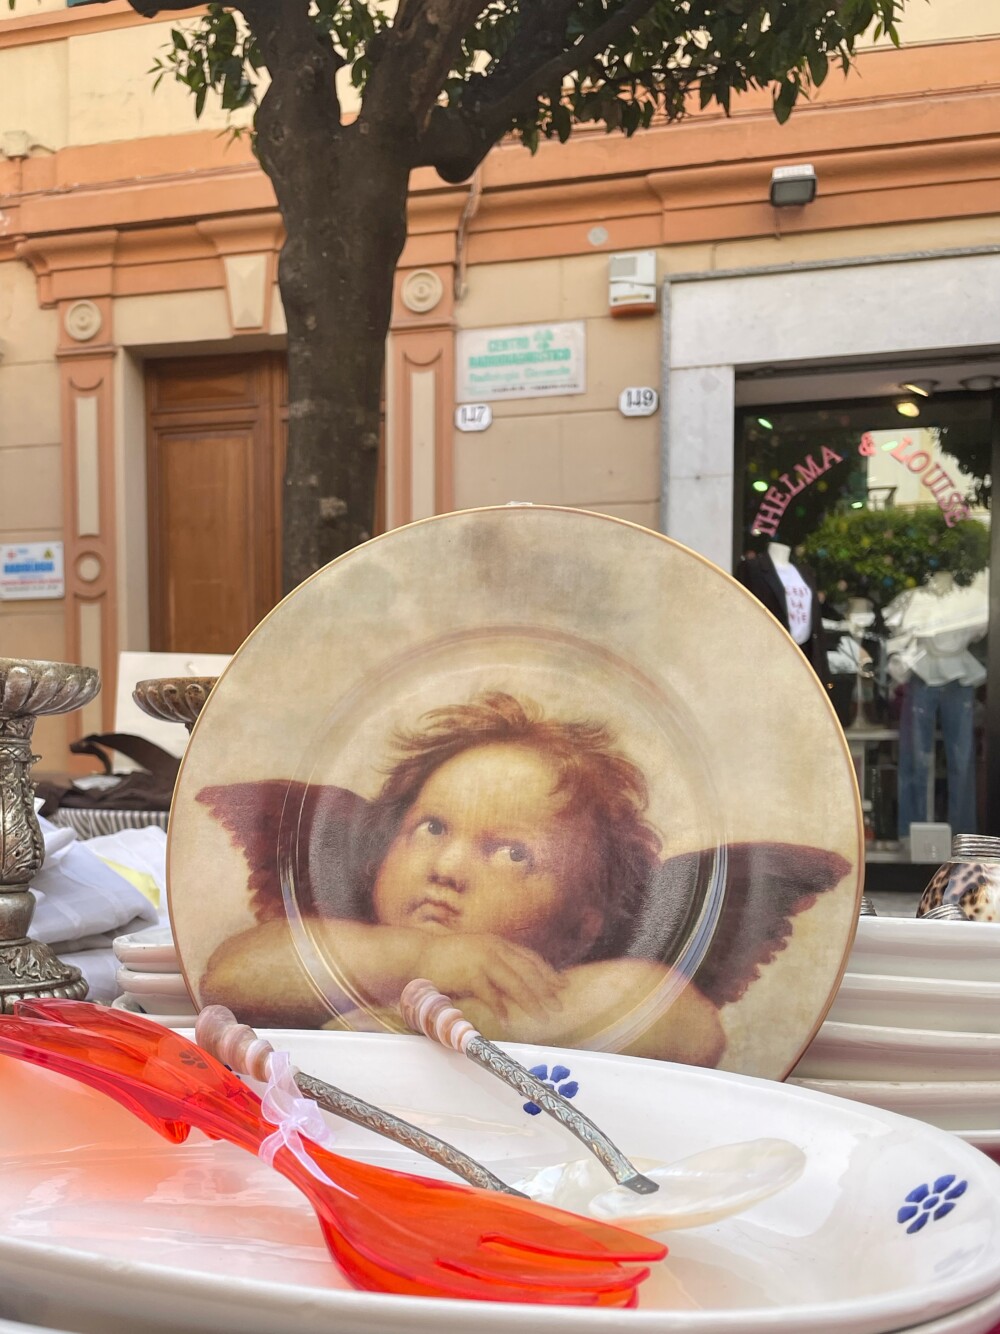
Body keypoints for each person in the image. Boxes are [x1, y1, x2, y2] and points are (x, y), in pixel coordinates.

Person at [199, 692, 728, 1065]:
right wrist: (419, 960)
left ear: (581, 926)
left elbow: (692, 1026)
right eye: (431, 827)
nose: (447, 868)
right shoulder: (349, 950)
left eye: (512, 854)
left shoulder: (581, 985)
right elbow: (229, 975)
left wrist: (482, 1020)